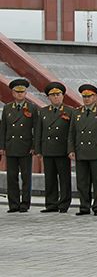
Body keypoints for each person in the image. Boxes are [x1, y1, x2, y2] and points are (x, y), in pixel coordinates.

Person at [68, 84, 97, 216]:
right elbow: (72, 134)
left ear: (95, 97)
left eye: (89, 96)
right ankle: (84, 206)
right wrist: (71, 150)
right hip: (81, 151)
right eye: (84, 96)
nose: (86, 99)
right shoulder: (77, 112)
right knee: (82, 181)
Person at [0, 79, 38, 213]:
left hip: (26, 146)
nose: (20, 94)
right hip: (11, 146)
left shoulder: (32, 108)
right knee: (11, 176)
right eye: (17, 92)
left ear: (26, 92)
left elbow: (36, 129)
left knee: (26, 176)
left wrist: (34, 146)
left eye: (22, 92)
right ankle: (13, 204)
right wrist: (2, 147)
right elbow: (3, 128)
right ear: (13, 92)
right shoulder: (8, 108)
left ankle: (25, 203)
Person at [35, 82, 74, 213]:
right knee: (50, 179)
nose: (56, 97)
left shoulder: (70, 111)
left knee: (64, 179)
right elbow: (39, 132)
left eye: (58, 94)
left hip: (62, 150)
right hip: (48, 149)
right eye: (53, 95)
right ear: (48, 97)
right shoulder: (43, 111)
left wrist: (70, 149)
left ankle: (64, 204)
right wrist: (38, 149)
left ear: (63, 96)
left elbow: (72, 133)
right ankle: (51, 204)